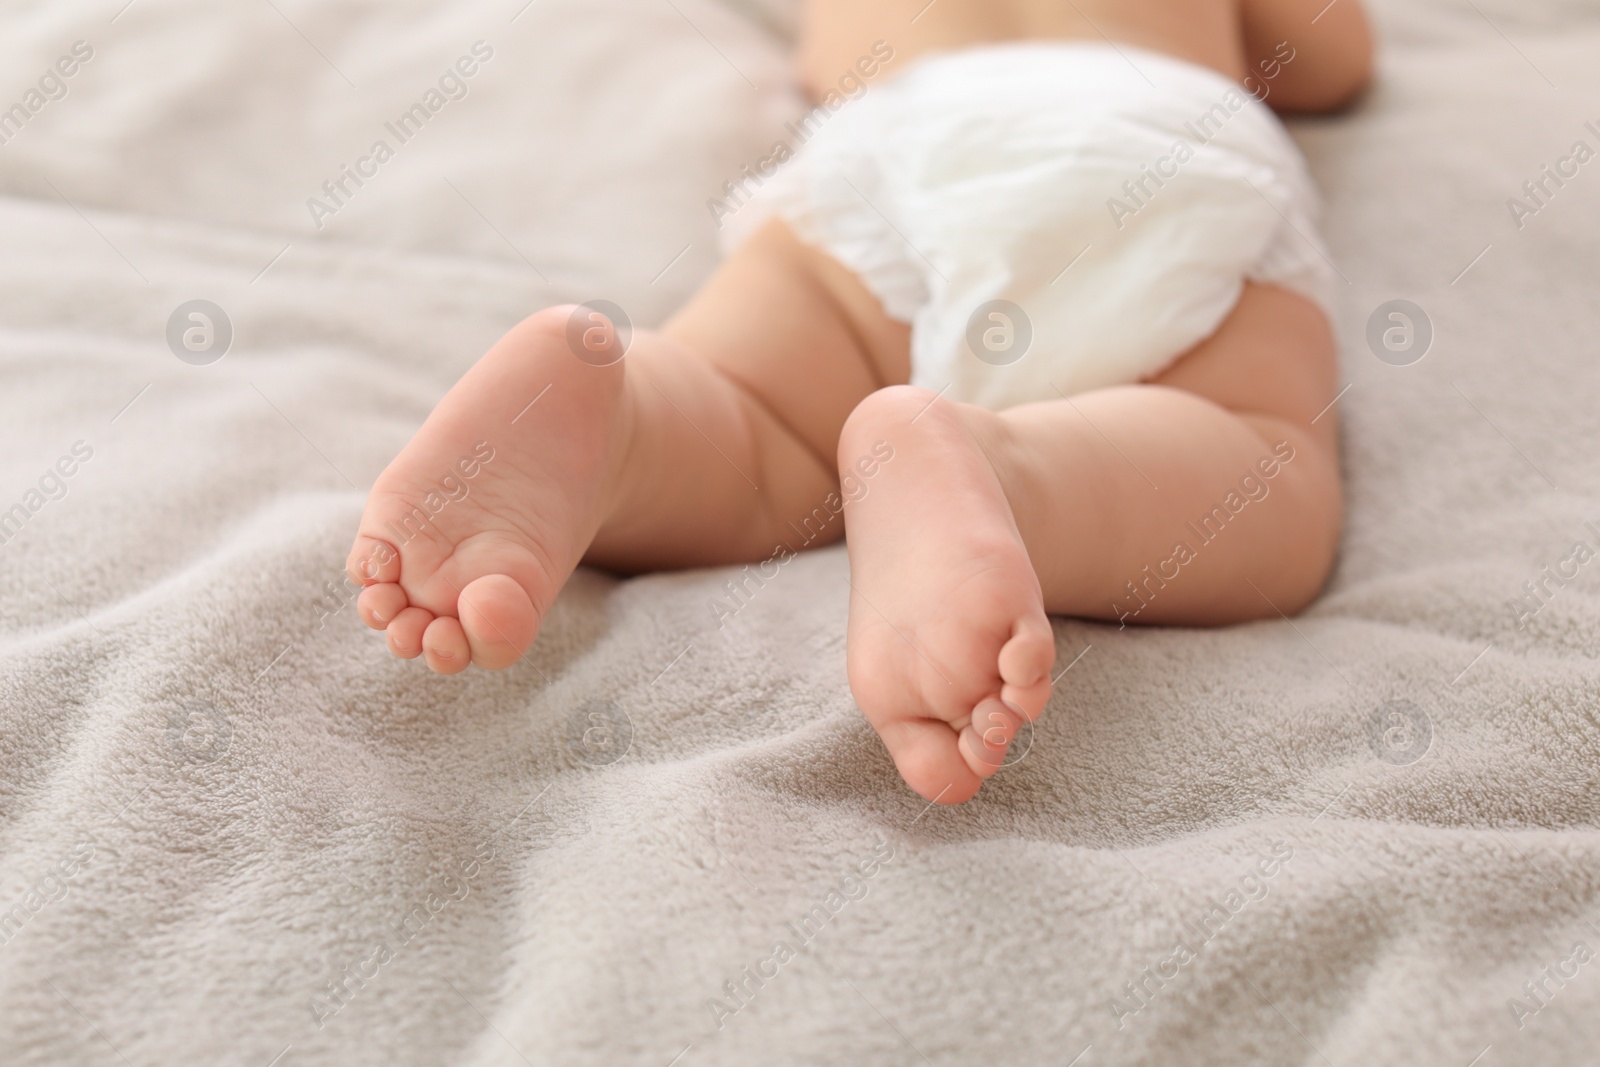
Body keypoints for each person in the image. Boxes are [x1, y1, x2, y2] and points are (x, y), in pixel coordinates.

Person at [346, 0, 1374, 804]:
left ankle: (626, 415)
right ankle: (1005, 473)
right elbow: (1332, 59)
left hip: (896, 135)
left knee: (754, 416)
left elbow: (819, 59)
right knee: (1257, 461)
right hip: (1148, 131)